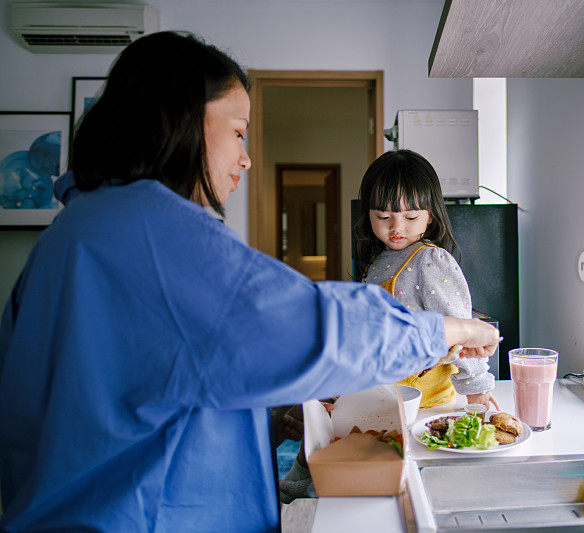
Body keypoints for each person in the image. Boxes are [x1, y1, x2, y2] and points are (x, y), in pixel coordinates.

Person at [0, 31, 499, 532]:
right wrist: (451, 331)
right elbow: (316, 328)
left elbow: (123, 397)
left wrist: (264, 417)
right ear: (183, 124)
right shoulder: (160, 239)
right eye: (238, 132)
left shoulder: (78, 231)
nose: (246, 157)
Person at [354, 149, 499, 411]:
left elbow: (461, 332)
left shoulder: (431, 260)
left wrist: (477, 390)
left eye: (410, 217)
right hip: (385, 399)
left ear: (430, 215)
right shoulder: (377, 263)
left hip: (426, 404)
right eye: (383, 217)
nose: (396, 228)